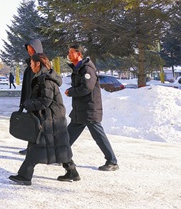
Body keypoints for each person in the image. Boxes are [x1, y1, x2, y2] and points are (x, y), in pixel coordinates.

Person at [9, 53, 73, 186]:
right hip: (51, 117)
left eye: (32, 63)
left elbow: (45, 101)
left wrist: (28, 104)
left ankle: (25, 175)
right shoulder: (43, 77)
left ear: (38, 64)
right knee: (59, 145)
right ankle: (72, 171)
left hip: (50, 119)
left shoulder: (45, 80)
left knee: (35, 146)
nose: (31, 66)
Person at [58, 44, 119, 182]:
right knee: (68, 135)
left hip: (90, 109)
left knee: (99, 136)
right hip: (80, 110)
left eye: (71, 52)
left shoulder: (87, 68)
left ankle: (112, 161)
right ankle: (60, 155)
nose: (69, 55)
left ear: (79, 54)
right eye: (69, 52)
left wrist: (71, 92)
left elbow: (87, 87)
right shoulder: (78, 68)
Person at [18, 38, 44, 155]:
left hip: (39, 101)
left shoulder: (41, 65)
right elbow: (26, 86)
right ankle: (31, 147)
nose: (29, 52)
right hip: (30, 101)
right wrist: (23, 101)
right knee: (32, 125)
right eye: (28, 50)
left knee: (41, 126)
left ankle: (42, 148)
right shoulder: (29, 66)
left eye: (31, 49)